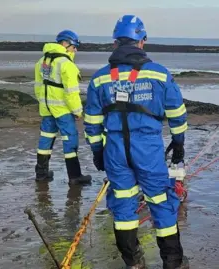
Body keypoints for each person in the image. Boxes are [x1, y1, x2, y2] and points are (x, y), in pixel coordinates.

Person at [83, 15, 189, 269]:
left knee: (123, 205)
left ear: (115, 43)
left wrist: (98, 152)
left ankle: (134, 263)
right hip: (148, 148)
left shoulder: (99, 78)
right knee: (160, 202)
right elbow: (177, 113)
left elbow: (91, 122)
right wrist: (178, 143)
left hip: (115, 150)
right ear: (142, 41)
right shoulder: (159, 74)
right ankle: (173, 263)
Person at [34, 30, 91, 185]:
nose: (76, 50)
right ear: (65, 44)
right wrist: (78, 111)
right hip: (63, 111)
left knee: (45, 139)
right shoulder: (67, 65)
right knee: (70, 140)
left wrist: (44, 104)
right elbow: (71, 93)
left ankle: (41, 174)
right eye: (74, 46)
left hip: (46, 109)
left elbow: (38, 88)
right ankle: (75, 176)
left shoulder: (41, 62)